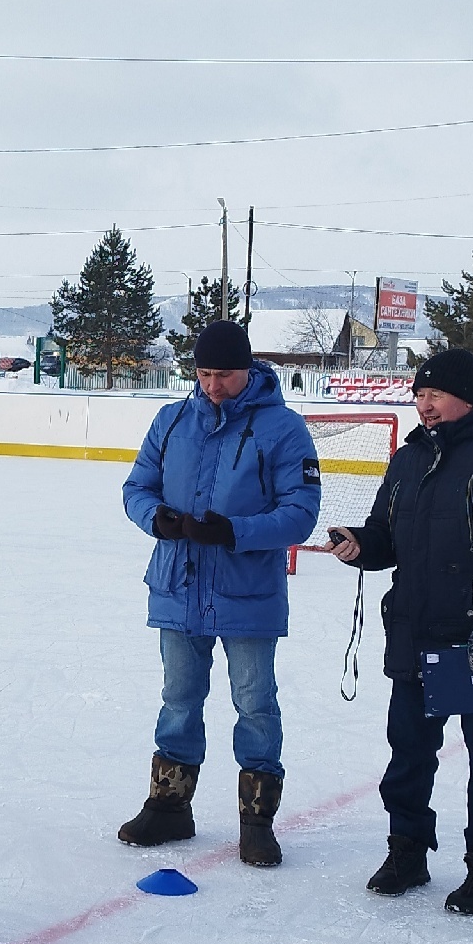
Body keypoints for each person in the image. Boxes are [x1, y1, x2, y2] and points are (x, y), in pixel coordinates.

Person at [323, 347, 473, 915]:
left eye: (435, 394)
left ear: (467, 398)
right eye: (419, 394)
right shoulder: (410, 459)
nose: (423, 404)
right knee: (407, 753)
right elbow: (386, 534)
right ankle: (407, 851)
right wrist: (361, 545)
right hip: (414, 630)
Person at [117, 320, 321, 866]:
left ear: (248, 370)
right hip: (177, 587)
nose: (212, 385)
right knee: (178, 701)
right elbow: (136, 487)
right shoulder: (172, 419)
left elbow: (301, 514)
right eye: (204, 374)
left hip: (247, 592)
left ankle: (257, 820)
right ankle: (169, 808)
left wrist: (235, 531)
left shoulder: (284, 430)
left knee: (255, 705)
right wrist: (155, 518)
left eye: (224, 375)